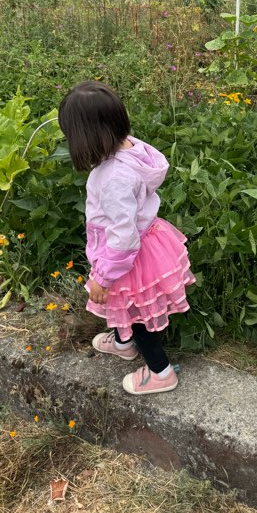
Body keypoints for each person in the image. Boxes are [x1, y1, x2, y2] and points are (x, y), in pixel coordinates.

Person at [58, 80, 195, 395]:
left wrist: (103, 277)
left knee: (136, 314)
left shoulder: (112, 179)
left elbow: (123, 237)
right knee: (126, 306)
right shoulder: (132, 147)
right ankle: (123, 343)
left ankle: (161, 372)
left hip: (126, 257)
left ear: (86, 137)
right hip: (149, 241)